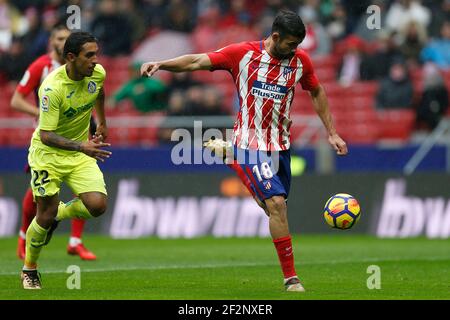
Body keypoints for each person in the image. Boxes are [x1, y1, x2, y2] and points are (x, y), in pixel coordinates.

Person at [141, 10, 348, 292]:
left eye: (297, 45)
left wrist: (331, 132)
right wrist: (161, 64)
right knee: (277, 204)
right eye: (289, 44)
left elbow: (317, 91)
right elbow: (197, 60)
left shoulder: (300, 62)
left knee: (271, 207)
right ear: (276, 37)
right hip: (249, 141)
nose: (294, 50)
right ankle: (291, 279)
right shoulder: (242, 54)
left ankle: (230, 158)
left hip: (281, 145)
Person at [21, 32, 111, 289]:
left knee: (97, 205)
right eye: (89, 55)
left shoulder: (97, 73)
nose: (95, 60)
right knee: (43, 217)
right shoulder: (52, 88)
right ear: (71, 57)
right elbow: (47, 135)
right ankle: (30, 269)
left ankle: (58, 212)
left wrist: (102, 121)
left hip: (79, 152)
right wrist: (82, 145)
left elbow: (100, 92)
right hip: (48, 154)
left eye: (96, 53)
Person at [11, 25, 98, 261]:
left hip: (77, 136)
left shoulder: (86, 68)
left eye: (66, 39)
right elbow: (15, 100)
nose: (62, 42)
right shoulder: (42, 67)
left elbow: (93, 96)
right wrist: (38, 112)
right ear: (52, 41)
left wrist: (96, 124)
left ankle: (75, 241)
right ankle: (23, 236)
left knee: (86, 190)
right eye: (59, 38)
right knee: (39, 195)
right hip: (48, 141)